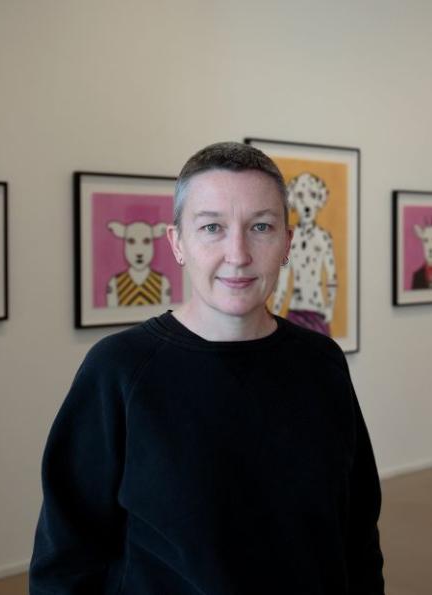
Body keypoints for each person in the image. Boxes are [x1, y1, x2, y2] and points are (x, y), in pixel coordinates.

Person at [29, 142, 385, 594]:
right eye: (212, 227)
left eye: (261, 227)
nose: (237, 254)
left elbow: (357, 533)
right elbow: (67, 554)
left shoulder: (321, 364)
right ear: (178, 243)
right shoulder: (119, 370)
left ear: (287, 243)